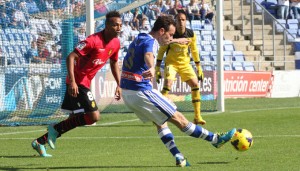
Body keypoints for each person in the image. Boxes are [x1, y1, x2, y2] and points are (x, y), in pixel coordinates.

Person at [120, 15, 236, 167]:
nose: (172, 37)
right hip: (140, 91)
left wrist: (175, 40)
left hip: (127, 93)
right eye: (171, 34)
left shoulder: (141, 36)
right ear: (162, 31)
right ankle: (215, 139)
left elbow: (160, 42)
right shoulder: (151, 42)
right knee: (180, 119)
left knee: (160, 122)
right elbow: (149, 54)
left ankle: (179, 157)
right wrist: (152, 68)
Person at [31, 11, 122, 157]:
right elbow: (71, 56)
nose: (118, 28)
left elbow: (115, 62)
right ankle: (54, 130)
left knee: (72, 119)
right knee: (94, 117)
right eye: (115, 25)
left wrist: (119, 84)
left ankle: (40, 142)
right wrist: (73, 81)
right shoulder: (92, 40)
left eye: (120, 25)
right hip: (78, 83)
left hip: (82, 82)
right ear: (106, 26)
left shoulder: (116, 43)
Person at [155, 11, 206, 125]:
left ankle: (197, 116)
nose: (181, 22)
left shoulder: (191, 34)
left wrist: (199, 67)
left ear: (186, 21)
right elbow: (162, 50)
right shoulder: (171, 34)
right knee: (167, 85)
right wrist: (157, 68)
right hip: (171, 64)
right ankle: (158, 115)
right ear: (175, 21)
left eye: (183, 20)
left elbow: (194, 50)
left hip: (185, 65)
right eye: (178, 20)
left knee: (195, 85)